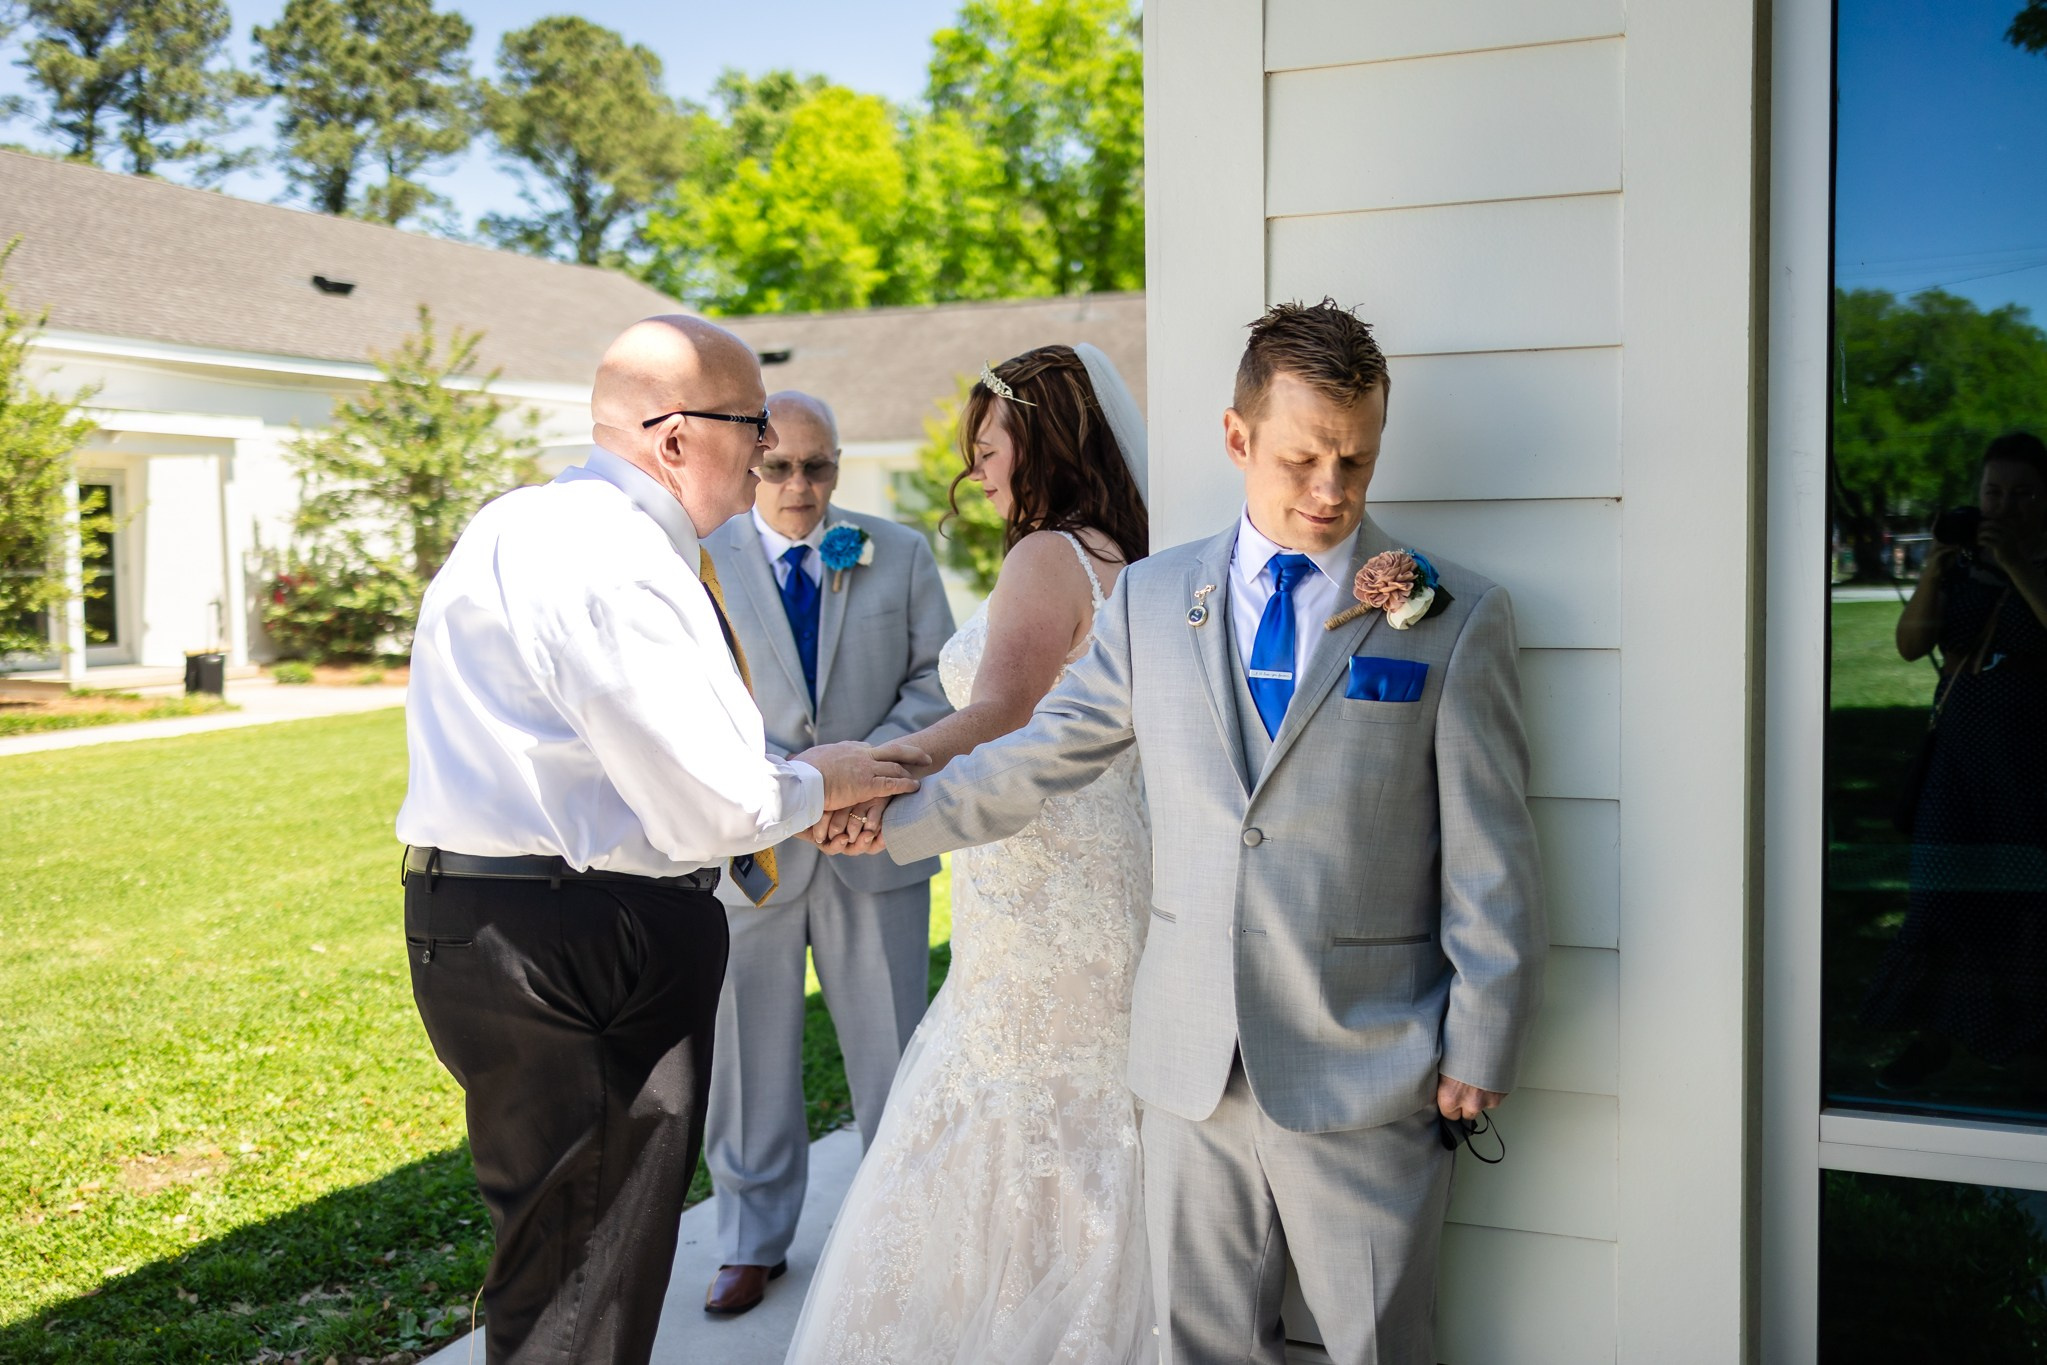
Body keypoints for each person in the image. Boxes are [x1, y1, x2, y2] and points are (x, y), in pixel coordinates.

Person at [864, 301, 1547, 1365]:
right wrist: (891, 821)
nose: (1329, 491)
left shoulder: (1453, 618)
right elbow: (1040, 756)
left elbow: (1490, 853)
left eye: (1355, 463)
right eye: (1301, 458)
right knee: (1200, 1343)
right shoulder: (1146, 598)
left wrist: (1482, 1036)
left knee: (1375, 1343)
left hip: (1364, 1061)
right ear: (1237, 440)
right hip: (1188, 1061)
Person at [394, 315, 925, 1365]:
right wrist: (827, 779)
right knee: (590, 1276)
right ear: (675, 437)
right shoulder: (625, 561)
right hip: (591, 938)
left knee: (550, 1249)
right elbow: (713, 807)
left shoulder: (514, 522)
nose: (768, 448)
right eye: (751, 424)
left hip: (467, 920)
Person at [782, 343, 1157, 1363]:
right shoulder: (1143, 558)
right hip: (1102, 876)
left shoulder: (1048, 556)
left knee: (1015, 1103)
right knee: (1087, 1113)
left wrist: (874, 771)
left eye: (988, 449)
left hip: (1038, 878)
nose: (977, 473)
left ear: (1041, 443)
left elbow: (999, 711)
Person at [699, 390, 956, 1315]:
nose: (799, 485)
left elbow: (938, 681)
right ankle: (747, 1238)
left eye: (819, 466)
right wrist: (793, 795)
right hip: (754, 854)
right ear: (750, 464)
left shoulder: (901, 550)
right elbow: (691, 702)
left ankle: (894, 1227)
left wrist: (862, 783)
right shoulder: (701, 556)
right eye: (778, 466)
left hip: (875, 840)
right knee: (746, 1054)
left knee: (892, 1045)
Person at [1867, 430, 2047, 1089]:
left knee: (2025, 903)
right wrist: (1934, 571)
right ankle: (1931, 1037)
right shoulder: (1964, 564)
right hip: (1960, 758)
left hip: (2030, 762)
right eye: (1991, 491)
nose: (2004, 505)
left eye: (2022, 493)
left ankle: (2024, 1041)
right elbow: (1910, 646)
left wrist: (2021, 566)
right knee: (1939, 897)